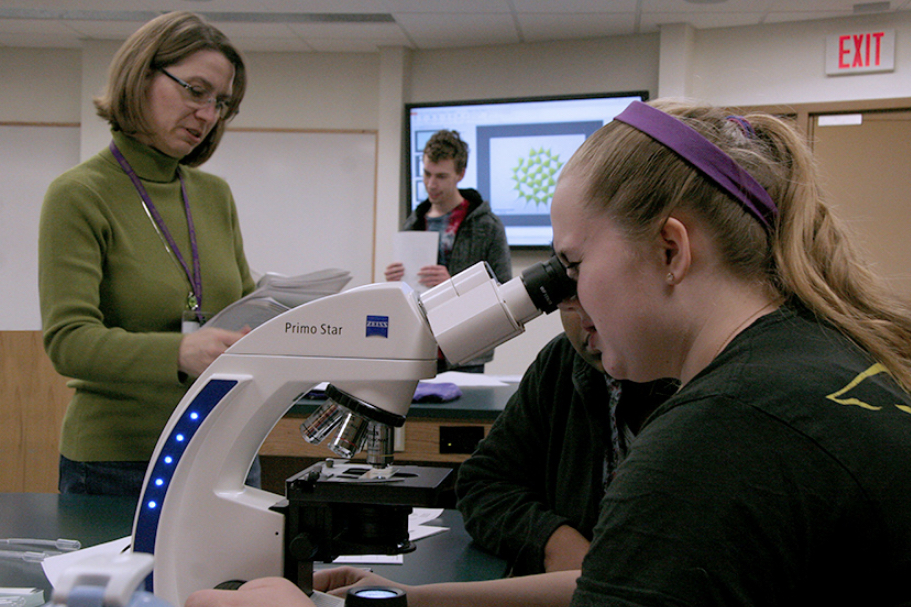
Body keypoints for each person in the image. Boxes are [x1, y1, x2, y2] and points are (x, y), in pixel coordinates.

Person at [185, 98, 911, 607]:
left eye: (571, 264)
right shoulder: (814, 359)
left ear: (670, 248)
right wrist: (408, 599)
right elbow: (629, 580)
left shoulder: (717, 437)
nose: (565, 295)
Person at [38, 11, 259, 496]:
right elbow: (68, 341)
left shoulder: (213, 194)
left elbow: (242, 308)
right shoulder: (79, 194)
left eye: (221, 103)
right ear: (141, 77)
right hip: (120, 462)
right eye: (195, 91)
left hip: (224, 446)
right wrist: (179, 351)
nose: (207, 114)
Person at [455, 304, 676, 575]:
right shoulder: (560, 363)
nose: (586, 320)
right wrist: (553, 540)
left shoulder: (710, 386)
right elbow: (484, 483)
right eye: (570, 299)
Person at [384, 129, 511, 373]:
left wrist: (455, 285)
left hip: (466, 348)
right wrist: (394, 284)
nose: (431, 184)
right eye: (427, 174)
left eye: (441, 176)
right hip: (418, 347)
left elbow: (503, 290)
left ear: (460, 174)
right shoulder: (413, 223)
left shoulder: (486, 225)